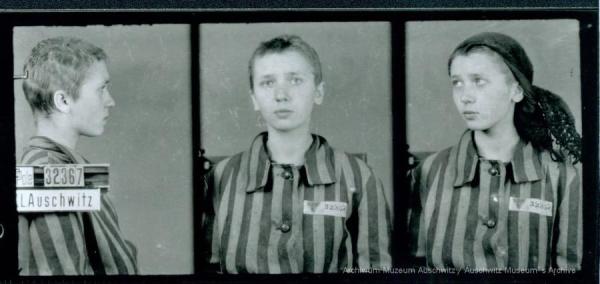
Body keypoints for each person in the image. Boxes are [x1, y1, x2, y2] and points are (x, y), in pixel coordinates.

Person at [200, 34, 392, 273]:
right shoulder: (220, 178)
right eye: (268, 83)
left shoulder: (359, 177)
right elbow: (208, 269)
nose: (282, 95)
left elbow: (376, 270)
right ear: (254, 99)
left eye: (295, 80)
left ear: (318, 92)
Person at [407, 32, 582, 270]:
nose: (465, 97)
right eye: (457, 82)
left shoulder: (561, 177)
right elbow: (413, 266)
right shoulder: (428, 172)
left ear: (517, 91)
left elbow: (574, 270)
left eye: (479, 81)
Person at [17, 37, 138, 275]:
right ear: (63, 101)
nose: (110, 101)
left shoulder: (59, 166)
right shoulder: (49, 171)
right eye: (101, 89)